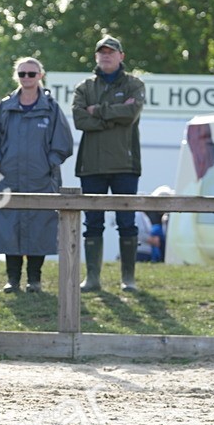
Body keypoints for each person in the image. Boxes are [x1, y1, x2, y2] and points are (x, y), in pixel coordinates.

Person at [0, 57, 74, 293]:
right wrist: (0, 161)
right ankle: (12, 279)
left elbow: (63, 143)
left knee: (39, 228)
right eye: (22, 73)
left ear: (40, 76)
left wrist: (48, 164)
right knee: (8, 227)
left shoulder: (51, 108)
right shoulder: (5, 107)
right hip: (8, 179)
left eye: (31, 74)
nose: (26, 78)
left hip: (41, 180)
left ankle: (35, 279)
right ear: (17, 76)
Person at [72, 35, 146, 292]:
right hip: (91, 166)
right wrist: (114, 115)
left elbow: (131, 114)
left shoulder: (134, 84)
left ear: (121, 56)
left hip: (125, 165)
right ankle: (92, 278)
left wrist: (98, 111)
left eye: (111, 52)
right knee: (92, 223)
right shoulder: (84, 87)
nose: (106, 56)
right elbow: (80, 120)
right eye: (102, 52)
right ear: (96, 56)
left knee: (127, 222)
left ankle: (128, 279)